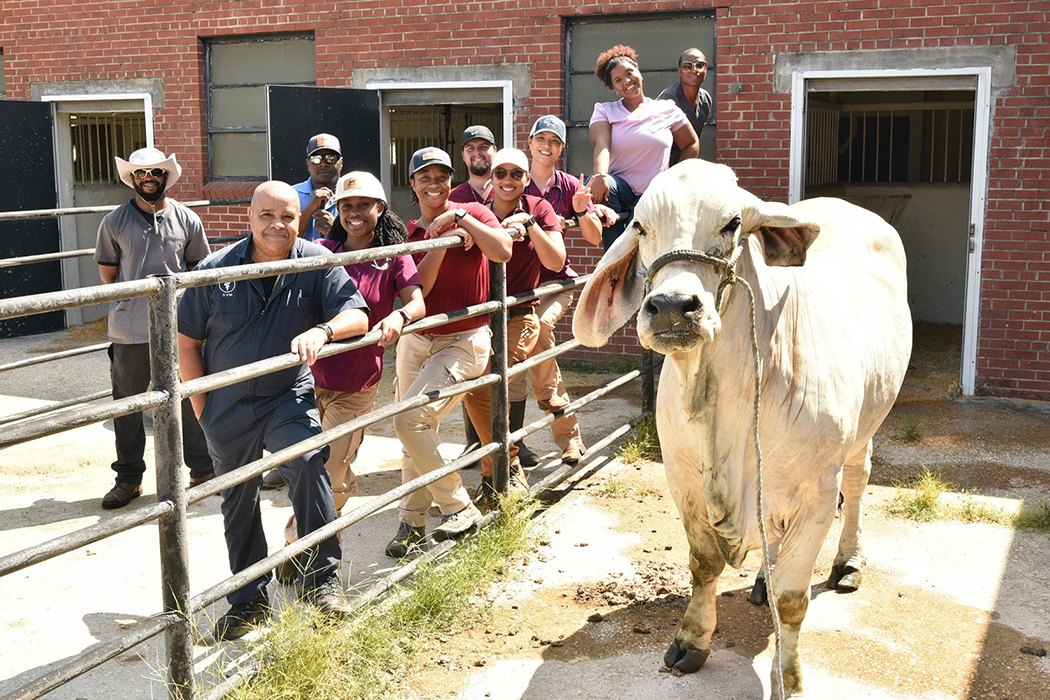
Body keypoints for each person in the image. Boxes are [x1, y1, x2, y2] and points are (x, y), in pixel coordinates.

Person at [178, 181, 370, 640]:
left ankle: (322, 582)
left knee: (308, 463)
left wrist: (324, 331)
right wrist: (202, 407)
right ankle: (249, 600)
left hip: (287, 396)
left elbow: (358, 316)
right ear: (250, 217)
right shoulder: (215, 269)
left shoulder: (315, 262)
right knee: (237, 497)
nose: (277, 225)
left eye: (287, 215)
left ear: (299, 217)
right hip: (225, 403)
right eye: (267, 215)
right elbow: (187, 342)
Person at [275, 171, 426, 579]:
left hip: (355, 382)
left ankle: (297, 544)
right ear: (336, 211)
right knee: (307, 466)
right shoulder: (321, 250)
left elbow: (417, 303)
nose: (354, 212)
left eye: (363, 204)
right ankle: (313, 543)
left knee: (330, 467)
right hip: (308, 378)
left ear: (380, 208)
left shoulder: (394, 256)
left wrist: (398, 314)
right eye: (346, 206)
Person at [385, 147, 512, 559]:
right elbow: (418, 288)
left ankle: (457, 507)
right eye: (425, 177)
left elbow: (503, 252)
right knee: (412, 427)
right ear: (413, 185)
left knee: (410, 418)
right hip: (418, 339)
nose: (435, 184)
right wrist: (439, 241)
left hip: (464, 336)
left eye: (442, 176)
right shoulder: (406, 232)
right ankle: (412, 523)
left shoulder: (474, 212)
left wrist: (462, 219)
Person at [93, 147, 215, 509]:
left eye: (156, 173)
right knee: (128, 406)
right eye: (141, 173)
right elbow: (108, 275)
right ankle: (129, 478)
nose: (149, 178)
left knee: (192, 399)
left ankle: (203, 470)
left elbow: (198, 271)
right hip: (131, 329)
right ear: (133, 178)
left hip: (180, 329)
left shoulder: (187, 219)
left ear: (166, 177)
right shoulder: (114, 222)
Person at [466, 147, 567, 509]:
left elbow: (556, 259)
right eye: (500, 173)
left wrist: (530, 225)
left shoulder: (540, 208)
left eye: (515, 174)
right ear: (490, 179)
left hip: (521, 311)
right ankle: (501, 468)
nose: (507, 180)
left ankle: (501, 473)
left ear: (526, 179)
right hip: (482, 313)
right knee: (479, 386)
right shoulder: (481, 211)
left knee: (498, 381)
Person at [519, 116, 591, 464]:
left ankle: (566, 438)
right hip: (520, 288)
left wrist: (582, 212)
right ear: (529, 142)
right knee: (535, 350)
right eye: (540, 138)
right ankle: (569, 439)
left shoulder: (569, 186)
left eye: (554, 141)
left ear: (562, 149)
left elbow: (593, 237)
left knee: (538, 329)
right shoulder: (514, 180)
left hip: (556, 283)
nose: (546, 146)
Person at [588, 45, 699, 248]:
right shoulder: (605, 111)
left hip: (653, 193)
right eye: (618, 80)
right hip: (620, 192)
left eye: (629, 73)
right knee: (599, 182)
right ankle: (614, 261)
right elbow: (602, 144)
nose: (627, 81)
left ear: (639, 71)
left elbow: (691, 144)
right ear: (613, 87)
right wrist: (599, 176)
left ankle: (631, 264)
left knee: (639, 236)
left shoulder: (666, 109)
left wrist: (675, 181)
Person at [657, 48, 713, 166]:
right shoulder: (667, 100)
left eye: (700, 65)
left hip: (686, 162)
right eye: (687, 66)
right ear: (679, 71)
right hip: (662, 165)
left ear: (706, 69)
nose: (694, 70)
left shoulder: (705, 100)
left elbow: (694, 140)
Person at [292, 133, 343, 242]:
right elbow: (285, 242)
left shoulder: (352, 195)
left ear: (341, 162)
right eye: (316, 158)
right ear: (307, 164)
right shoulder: (291, 195)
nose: (323, 164)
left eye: (331, 158)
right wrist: (309, 209)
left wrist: (334, 231)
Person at [449, 125, 497, 205]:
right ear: (463, 155)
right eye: (470, 148)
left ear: (495, 151)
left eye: (483, 147)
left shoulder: (507, 192)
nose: (477, 152)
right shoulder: (452, 198)